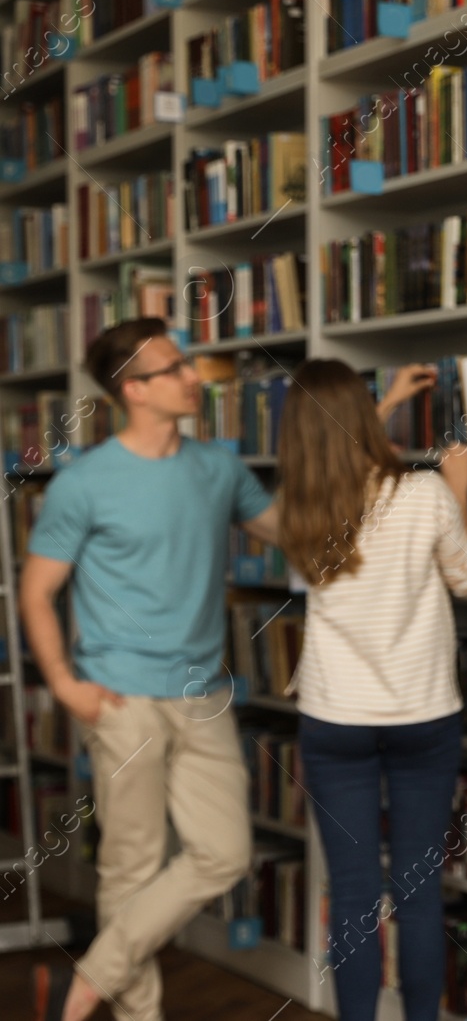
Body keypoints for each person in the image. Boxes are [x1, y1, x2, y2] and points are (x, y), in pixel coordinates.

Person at [23, 318, 280, 1021]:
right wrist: (67, 684)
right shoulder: (85, 483)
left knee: (224, 853)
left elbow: (296, 530)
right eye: (175, 368)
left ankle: (94, 975)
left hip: (201, 695)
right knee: (129, 866)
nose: (194, 376)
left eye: (188, 364)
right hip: (120, 696)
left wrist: (362, 438)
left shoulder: (220, 468)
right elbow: (37, 592)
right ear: (133, 388)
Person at [274, 360, 467, 1021]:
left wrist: (383, 409)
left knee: (356, 891)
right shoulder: (423, 494)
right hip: (422, 716)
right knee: (418, 893)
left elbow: (355, 477)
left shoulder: (298, 510)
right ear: (364, 420)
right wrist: (459, 492)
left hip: (334, 719)